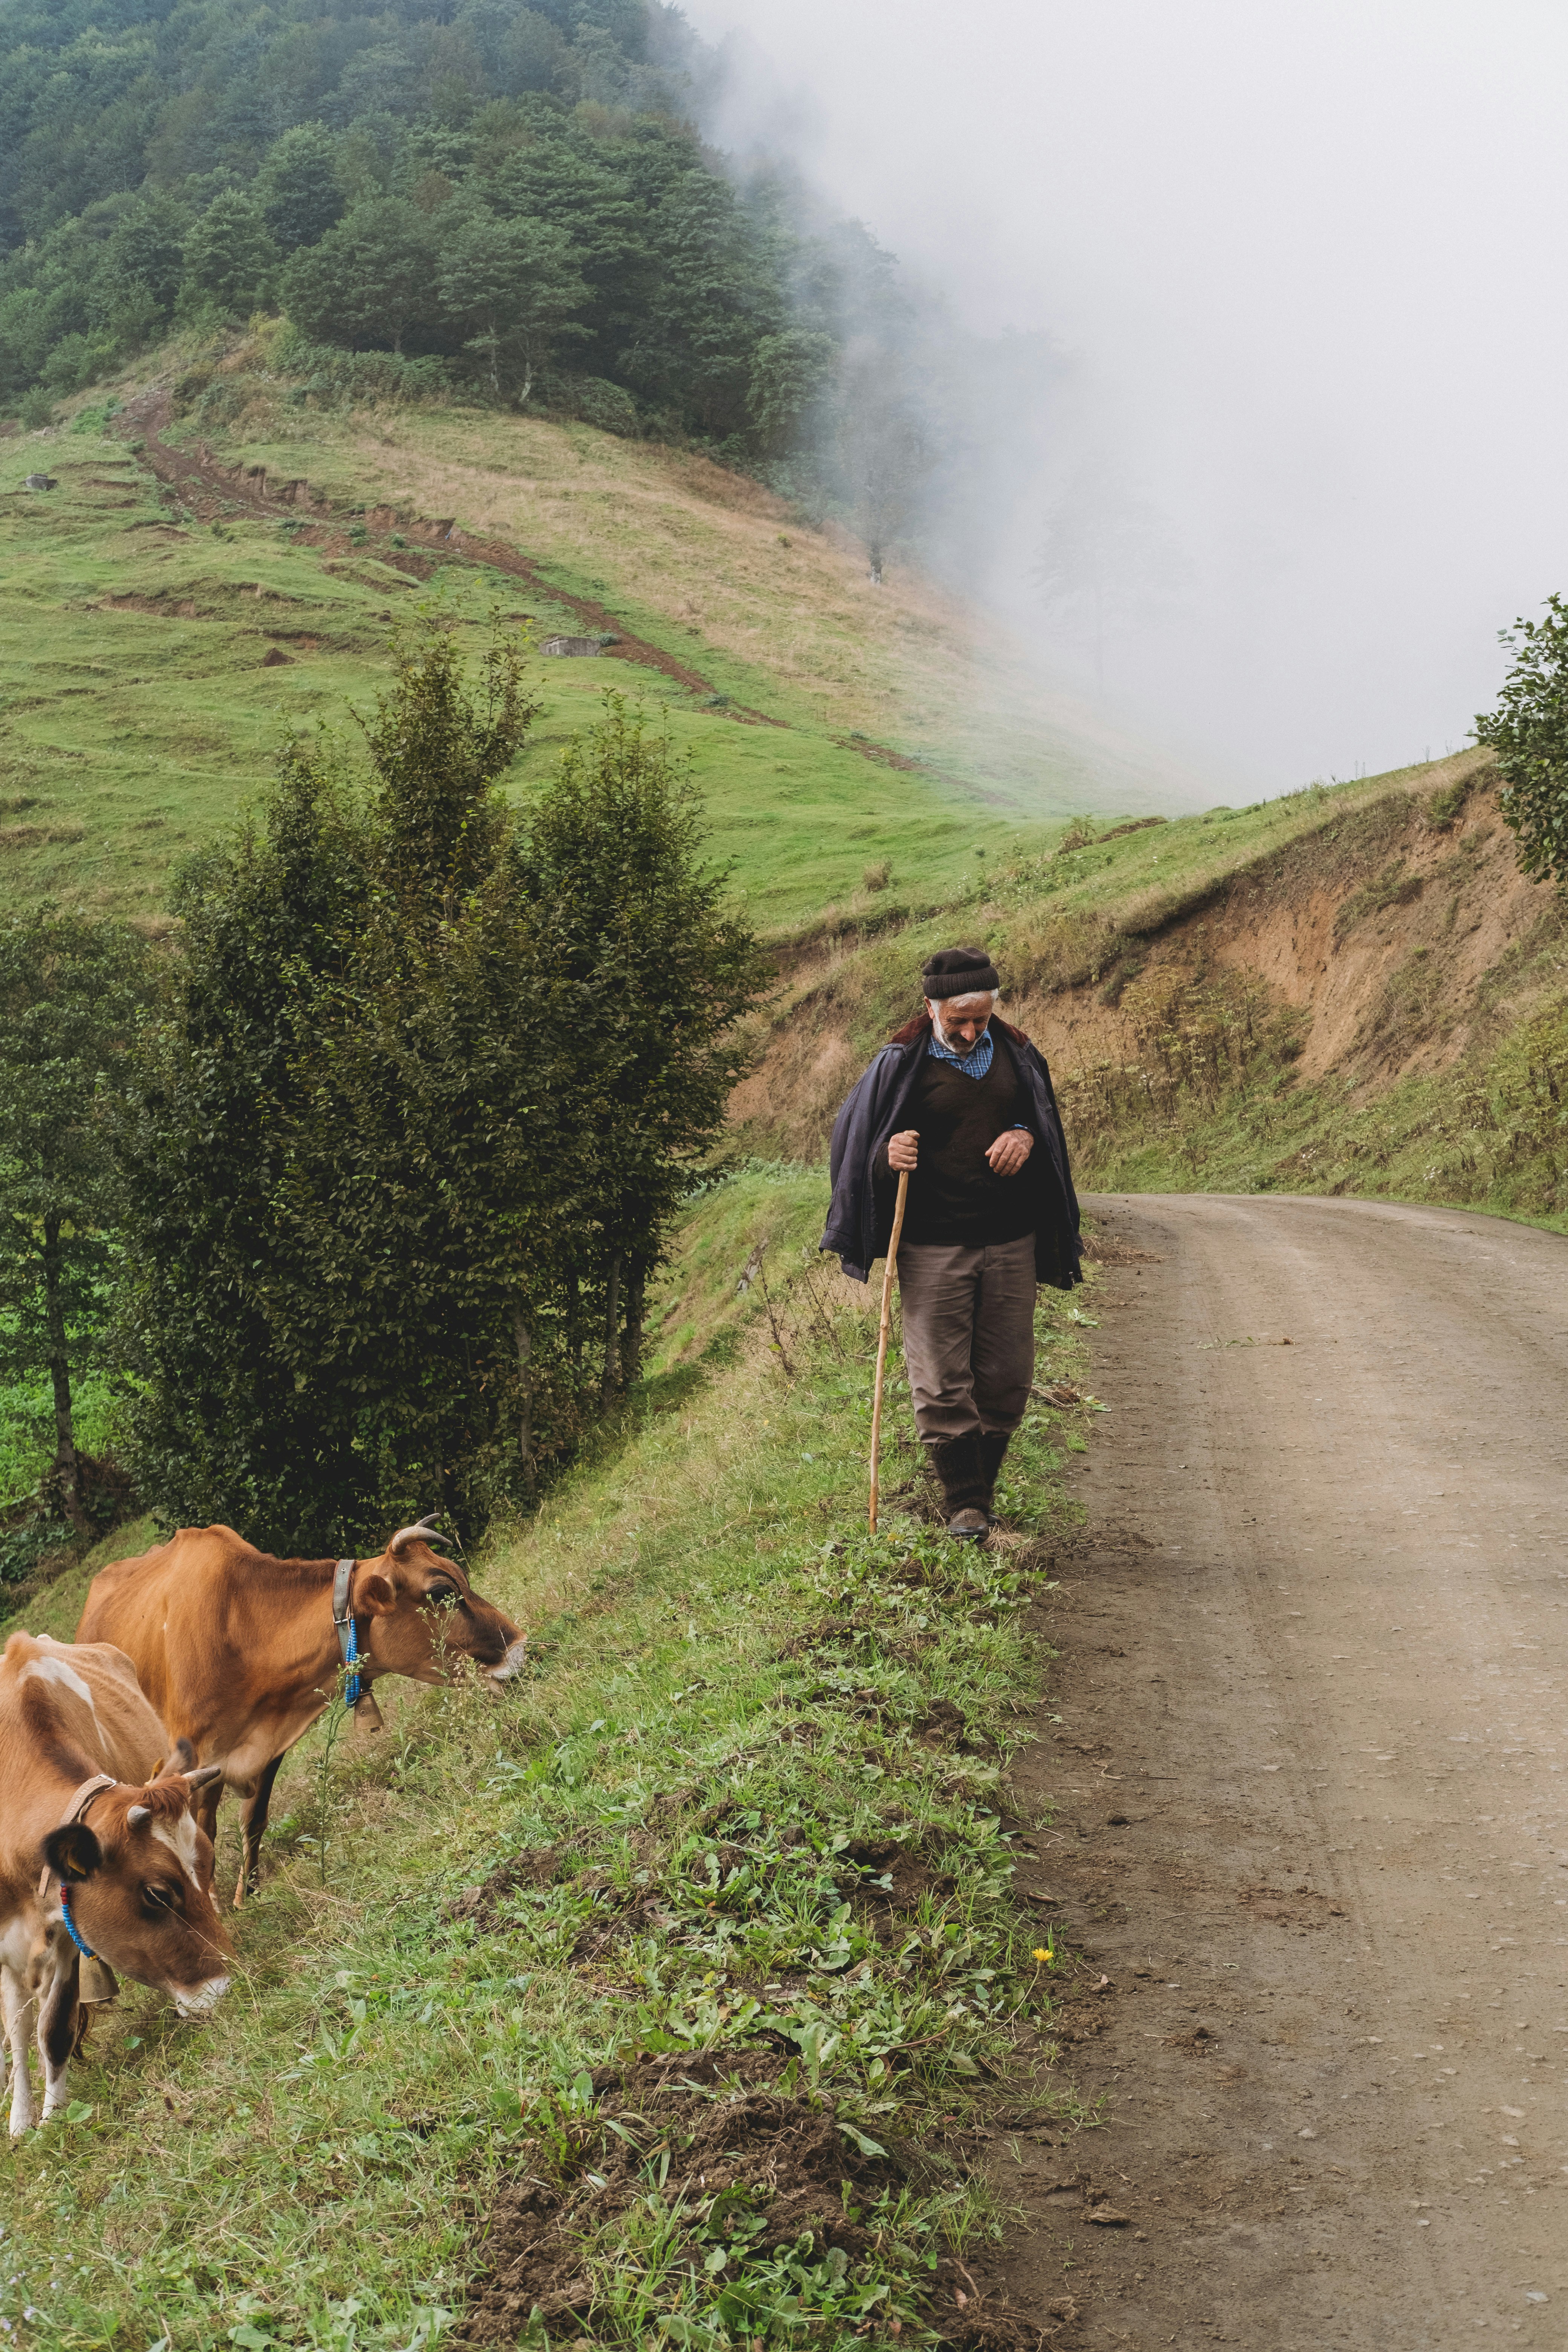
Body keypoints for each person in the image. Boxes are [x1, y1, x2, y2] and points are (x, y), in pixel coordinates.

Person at [821, 945, 1081, 1539]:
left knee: (1007, 1376)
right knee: (941, 1377)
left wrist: (1024, 1135)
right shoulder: (899, 1063)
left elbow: (1040, 1122)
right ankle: (965, 1504)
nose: (969, 1031)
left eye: (980, 1019)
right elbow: (855, 1142)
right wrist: (887, 1158)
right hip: (934, 1245)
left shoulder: (1017, 1053)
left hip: (1012, 1239)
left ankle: (978, 1495)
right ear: (931, 1006)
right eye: (958, 1019)